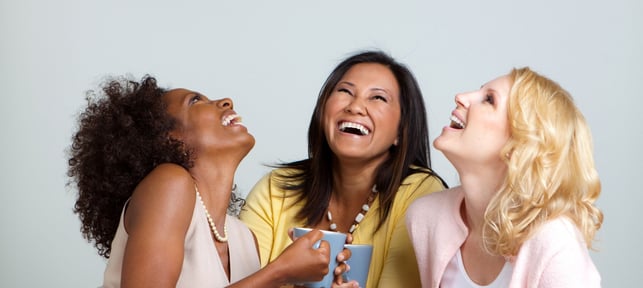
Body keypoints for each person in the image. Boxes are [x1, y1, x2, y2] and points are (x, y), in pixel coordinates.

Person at [67, 75, 354, 287]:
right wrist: (280, 271)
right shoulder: (168, 184)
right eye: (195, 101)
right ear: (167, 138)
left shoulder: (244, 239)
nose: (226, 101)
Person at [239, 50, 448, 288]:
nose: (356, 106)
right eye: (345, 91)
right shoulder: (276, 187)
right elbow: (239, 280)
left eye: (378, 98)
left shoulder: (420, 193)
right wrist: (283, 272)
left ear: (401, 131)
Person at [406, 67, 603, 287]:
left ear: (519, 144)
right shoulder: (425, 218)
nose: (461, 97)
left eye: (489, 100)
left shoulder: (554, 242)